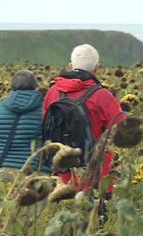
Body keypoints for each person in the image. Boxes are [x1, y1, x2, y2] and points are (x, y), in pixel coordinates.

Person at [42, 44, 124, 195]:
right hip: (96, 176)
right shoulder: (103, 96)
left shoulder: (52, 93)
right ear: (97, 68)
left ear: (71, 66)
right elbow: (122, 130)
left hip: (60, 175)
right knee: (96, 216)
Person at [0, 70, 48, 173]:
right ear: (35, 86)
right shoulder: (45, 108)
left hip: (0, 168)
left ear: (12, 86)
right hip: (33, 171)